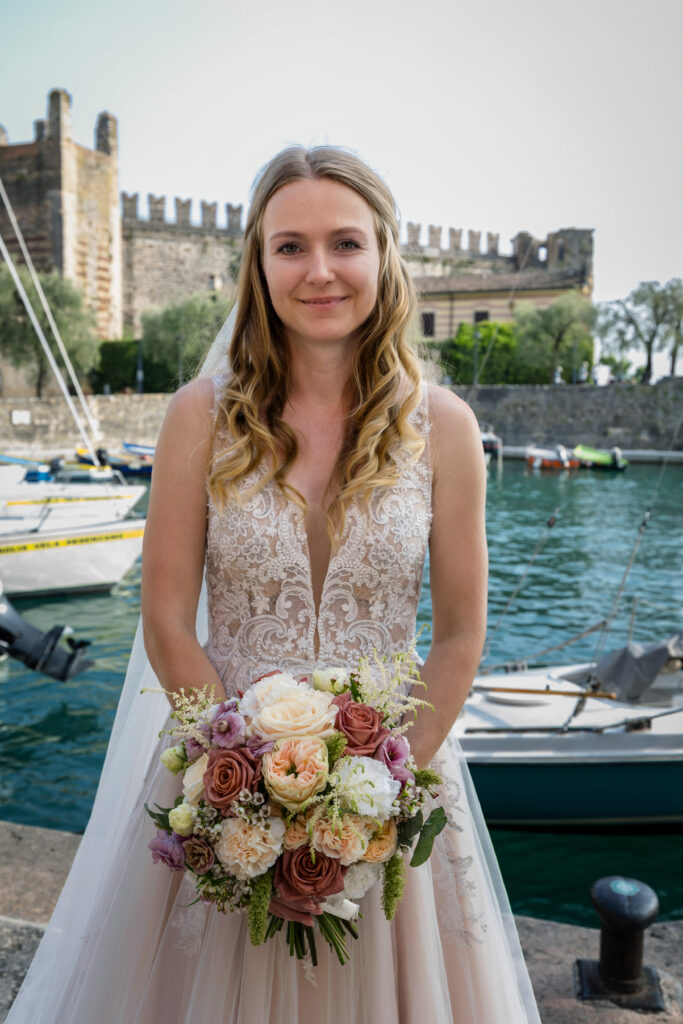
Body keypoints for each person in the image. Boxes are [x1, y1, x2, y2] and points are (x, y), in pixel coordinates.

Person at [6, 146, 540, 1023]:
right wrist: (241, 792)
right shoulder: (199, 416)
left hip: (393, 786)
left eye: (345, 243)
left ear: (385, 256)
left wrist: (378, 803)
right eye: (290, 246)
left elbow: (457, 636)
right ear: (257, 263)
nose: (320, 270)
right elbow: (168, 619)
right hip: (217, 782)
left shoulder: (444, 427)